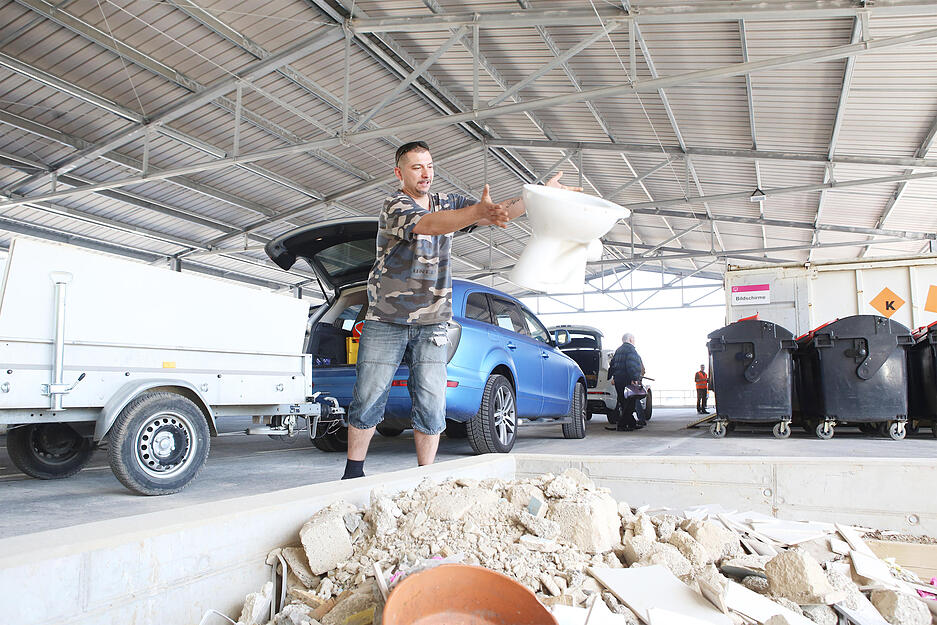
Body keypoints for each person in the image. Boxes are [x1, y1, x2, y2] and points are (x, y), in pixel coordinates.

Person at [341, 140, 581, 479]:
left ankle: (426, 477)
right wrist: (476, 213)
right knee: (369, 395)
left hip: (434, 321)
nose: (425, 173)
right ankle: (353, 472)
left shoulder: (449, 202)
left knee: (431, 400)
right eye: (416, 167)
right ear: (399, 173)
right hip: (386, 319)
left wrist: (540, 195)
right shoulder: (394, 205)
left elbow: (498, 211)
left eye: (429, 166)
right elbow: (431, 224)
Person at [605, 333, 645, 432]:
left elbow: (612, 364)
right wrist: (634, 378)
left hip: (618, 381)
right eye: (633, 339)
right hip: (627, 380)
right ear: (630, 339)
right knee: (630, 404)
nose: (634, 342)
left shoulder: (618, 350)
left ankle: (631, 423)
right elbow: (631, 365)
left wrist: (612, 377)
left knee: (623, 403)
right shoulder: (631, 350)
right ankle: (622, 425)